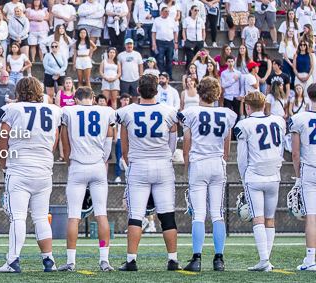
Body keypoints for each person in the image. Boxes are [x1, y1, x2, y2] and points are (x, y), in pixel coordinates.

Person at [0, 75, 61, 273]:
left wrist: (4, 164)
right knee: (41, 217)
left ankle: (13, 261)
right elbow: (53, 142)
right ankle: (49, 260)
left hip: (20, 168)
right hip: (43, 170)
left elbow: (2, 139)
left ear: (19, 91)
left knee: (18, 217)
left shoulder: (12, 110)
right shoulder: (54, 110)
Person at [115, 74, 180, 271]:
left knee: (136, 216)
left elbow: (123, 146)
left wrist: (131, 160)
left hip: (139, 166)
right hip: (162, 165)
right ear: (157, 90)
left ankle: (132, 260)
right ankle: (173, 260)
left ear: (137, 91)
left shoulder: (126, 112)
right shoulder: (169, 111)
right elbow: (172, 143)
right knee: (167, 215)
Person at [179, 77, 236, 271]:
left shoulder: (190, 112)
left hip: (198, 163)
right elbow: (227, 147)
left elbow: (187, 145)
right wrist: (222, 160)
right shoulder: (227, 114)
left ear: (199, 92)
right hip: (217, 163)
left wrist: (188, 166)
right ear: (217, 94)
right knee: (217, 213)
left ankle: (196, 259)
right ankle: (219, 259)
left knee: (199, 215)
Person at [57, 86, 116, 272]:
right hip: (98, 165)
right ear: (92, 98)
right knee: (101, 214)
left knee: (74, 215)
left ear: (75, 99)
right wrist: (101, 160)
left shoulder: (68, 111)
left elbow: (64, 142)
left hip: (77, 165)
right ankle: (104, 260)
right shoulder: (106, 111)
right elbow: (109, 140)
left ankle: (71, 261)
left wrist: (70, 162)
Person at [235, 91, 286, 271]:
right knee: (270, 219)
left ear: (247, 106)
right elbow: (280, 150)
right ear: (264, 105)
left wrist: (244, 179)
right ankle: (266, 260)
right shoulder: (278, 121)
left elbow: (242, 158)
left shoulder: (245, 124)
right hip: (274, 174)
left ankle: (264, 260)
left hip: (255, 175)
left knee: (258, 218)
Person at [291, 84, 316, 271]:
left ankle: (310, 259)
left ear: (308, 96)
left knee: (311, 216)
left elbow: (295, 153)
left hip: (310, 169)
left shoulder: (300, 118)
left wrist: (298, 178)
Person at [152, 7, 178, 78]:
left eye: (168, 11)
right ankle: (160, 76)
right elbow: (153, 33)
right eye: (166, 11)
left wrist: (176, 42)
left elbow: (175, 32)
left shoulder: (172, 20)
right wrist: (154, 43)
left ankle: (169, 76)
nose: (167, 13)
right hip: (160, 42)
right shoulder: (157, 20)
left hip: (170, 42)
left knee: (169, 60)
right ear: (161, 12)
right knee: (160, 60)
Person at [118, 39, 143, 106]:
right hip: (124, 79)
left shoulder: (137, 54)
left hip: (135, 79)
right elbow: (118, 66)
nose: (129, 45)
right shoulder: (120, 55)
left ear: (133, 45)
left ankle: (136, 110)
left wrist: (141, 75)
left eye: (130, 44)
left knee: (135, 97)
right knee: (124, 97)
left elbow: (140, 65)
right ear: (125, 45)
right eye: (128, 44)